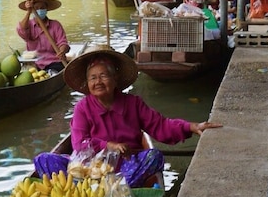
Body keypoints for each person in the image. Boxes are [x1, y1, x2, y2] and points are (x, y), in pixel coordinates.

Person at [33, 48, 221, 187]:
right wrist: (108, 146)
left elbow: (161, 126)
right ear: (87, 83)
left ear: (115, 79)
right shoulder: (83, 108)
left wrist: (190, 127)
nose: (98, 81)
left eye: (103, 76)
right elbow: (79, 144)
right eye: (92, 78)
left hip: (125, 167)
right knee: (44, 160)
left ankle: (111, 190)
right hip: (88, 169)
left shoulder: (133, 103)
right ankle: (94, 189)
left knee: (154, 157)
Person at [17, 0, 69, 72]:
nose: (39, 10)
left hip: (53, 62)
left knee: (56, 70)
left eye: (42, 8)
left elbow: (63, 43)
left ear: (46, 9)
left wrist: (62, 51)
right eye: (36, 8)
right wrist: (28, 12)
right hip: (34, 63)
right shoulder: (28, 25)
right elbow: (21, 30)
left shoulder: (55, 25)